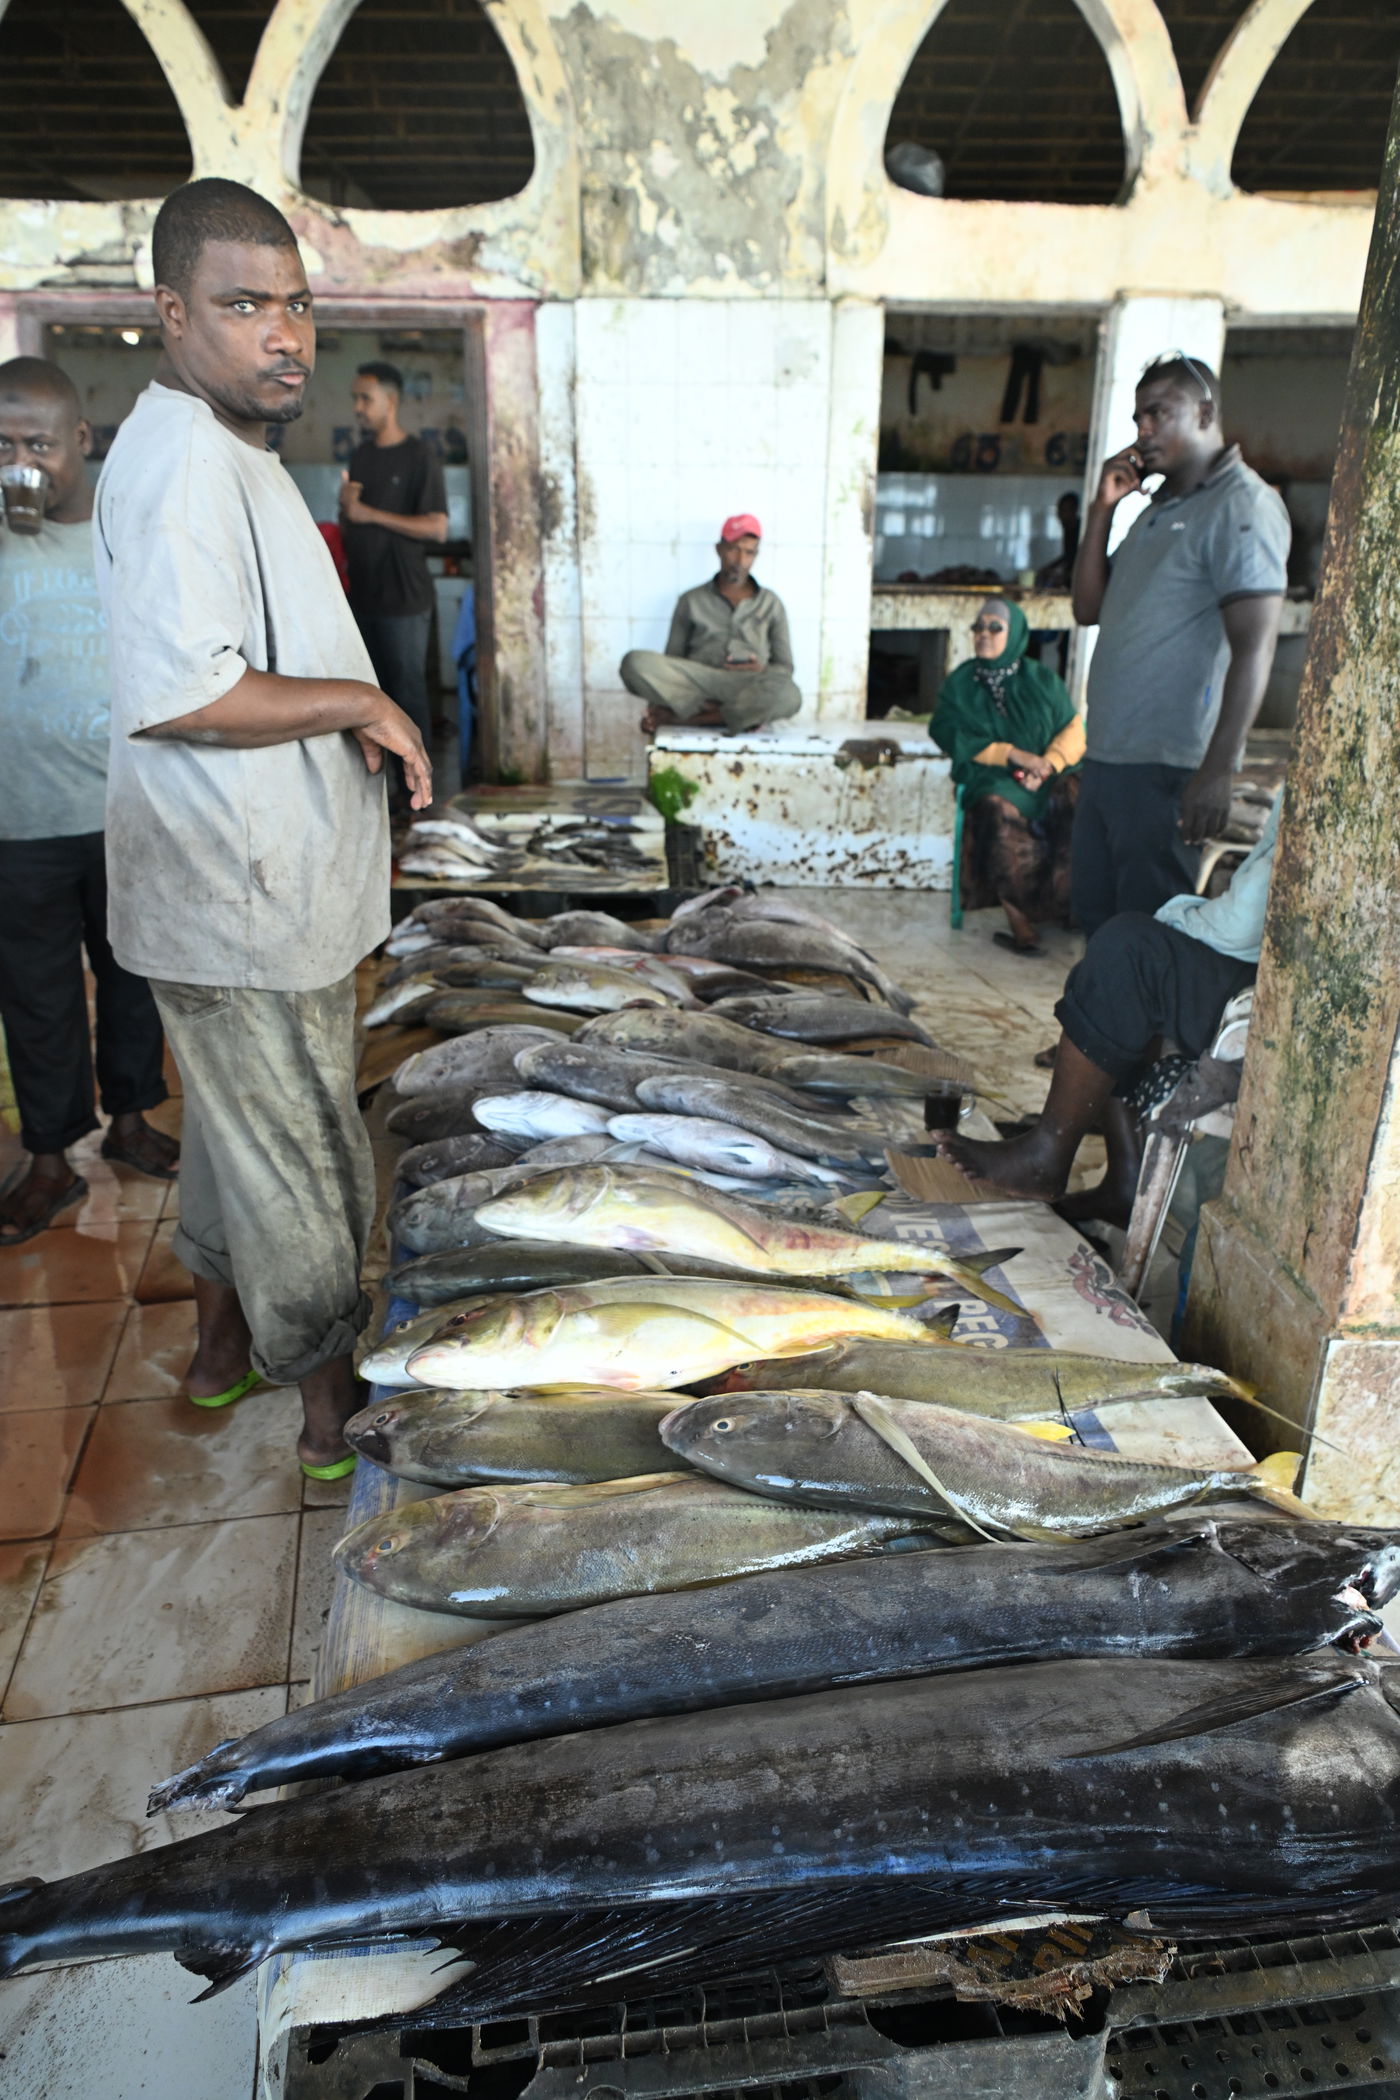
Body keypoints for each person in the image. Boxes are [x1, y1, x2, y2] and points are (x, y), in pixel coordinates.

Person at [93, 178, 432, 1478]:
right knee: (302, 1161)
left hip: (260, 895)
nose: (284, 334)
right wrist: (359, 696)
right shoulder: (180, 461)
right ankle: (330, 1413)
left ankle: (222, 1349)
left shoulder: (228, 447)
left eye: (295, 304)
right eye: (244, 306)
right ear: (172, 312)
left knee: (245, 1138)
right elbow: (187, 694)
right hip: (236, 904)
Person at [0, 356, 178, 1244]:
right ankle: (47, 1160)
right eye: (0, 445)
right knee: (34, 995)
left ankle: (135, 1119)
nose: (18, 463)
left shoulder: (123, 532)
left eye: (37, 442)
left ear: (80, 442)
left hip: (120, 806)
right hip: (17, 816)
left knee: (133, 977)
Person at [937, 795, 1280, 1226]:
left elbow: (1243, 922)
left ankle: (1047, 1153)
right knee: (1118, 964)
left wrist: (1176, 916)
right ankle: (1124, 1180)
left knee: (1126, 953)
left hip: (1276, 1003)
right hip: (1271, 974)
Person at [1070, 352, 1289, 938]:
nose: (1142, 431)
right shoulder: (1158, 505)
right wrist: (1103, 509)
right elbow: (1087, 608)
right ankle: (1092, 1035)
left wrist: (1218, 769)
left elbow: (1254, 645)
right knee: (1097, 917)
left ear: (1205, 412)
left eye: (1158, 414)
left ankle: (1130, 1035)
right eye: (1139, 417)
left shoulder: (1241, 505)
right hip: (1112, 754)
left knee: (1144, 934)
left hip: (1169, 764)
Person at [930, 596, 1084, 954]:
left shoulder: (1040, 679)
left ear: (1014, 634)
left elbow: (1073, 728)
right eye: (978, 627)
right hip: (992, 775)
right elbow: (947, 730)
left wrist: (1049, 764)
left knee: (1079, 799)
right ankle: (1019, 919)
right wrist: (1011, 753)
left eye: (995, 627)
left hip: (1047, 773)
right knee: (995, 810)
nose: (984, 634)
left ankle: (1068, 904)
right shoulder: (961, 683)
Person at [339, 359, 448, 796]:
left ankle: (417, 795)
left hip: (405, 598)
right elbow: (351, 522)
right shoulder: (362, 455)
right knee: (370, 697)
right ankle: (382, 799)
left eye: (366, 398)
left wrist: (369, 514)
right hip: (364, 596)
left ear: (392, 400)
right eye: (355, 399)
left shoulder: (420, 455)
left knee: (407, 694)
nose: (358, 408)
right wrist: (346, 510)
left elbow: (437, 527)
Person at [621, 515, 802, 735]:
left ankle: (697, 720)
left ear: (756, 555)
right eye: (733, 549)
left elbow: (785, 667)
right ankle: (728, 716)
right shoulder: (691, 600)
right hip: (700, 686)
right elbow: (672, 661)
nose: (739, 560)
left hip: (748, 685)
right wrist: (657, 706)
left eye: (749, 552)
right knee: (635, 663)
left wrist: (761, 669)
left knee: (790, 695)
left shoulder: (771, 604)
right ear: (719, 549)